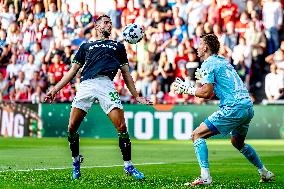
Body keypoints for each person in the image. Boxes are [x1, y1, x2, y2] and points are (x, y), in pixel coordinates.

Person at [44, 15, 152, 180]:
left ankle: (128, 166)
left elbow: (126, 74)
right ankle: (76, 162)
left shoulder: (118, 46)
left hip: (106, 84)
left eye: (110, 23)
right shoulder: (86, 46)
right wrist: (55, 90)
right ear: (96, 25)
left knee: (122, 127)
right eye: (106, 22)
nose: (109, 25)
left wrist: (137, 96)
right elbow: (72, 72)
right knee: (71, 128)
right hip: (86, 85)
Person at [173, 34, 274, 186]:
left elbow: (206, 93)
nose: (197, 47)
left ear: (206, 47)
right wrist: (203, 79)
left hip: (233, 107)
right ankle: (264, 172)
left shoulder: (208, 63)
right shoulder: (223, 61)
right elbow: (217, 87)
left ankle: (205, 177)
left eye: (199, 44)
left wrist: (187, 89)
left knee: (197, 135)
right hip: (247, 105)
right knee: (237, 142)